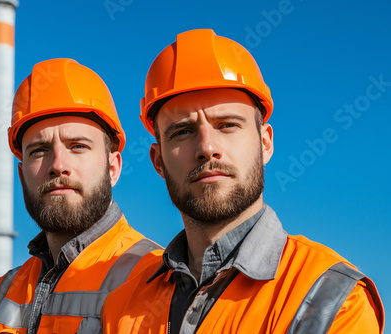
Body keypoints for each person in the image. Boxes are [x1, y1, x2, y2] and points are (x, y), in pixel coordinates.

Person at [101, 29, 384, 333]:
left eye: (227, 125)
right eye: (182, 131)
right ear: (158, 160)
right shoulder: (121, 306)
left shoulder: (331, 299)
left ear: (265, 144)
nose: (207, 147)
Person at [0, 58, 162, 334]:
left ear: (112, 168)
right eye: (39, 150)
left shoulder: (157, 280)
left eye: (77, 146)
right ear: (22, 175)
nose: (57, 165)